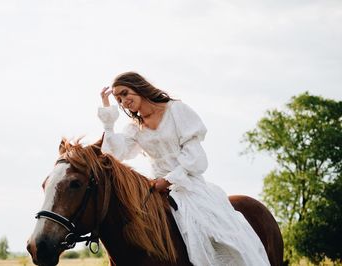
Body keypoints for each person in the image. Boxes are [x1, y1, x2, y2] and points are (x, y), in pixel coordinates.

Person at [98, 72, 270, 266]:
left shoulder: (176, 111)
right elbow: (114, 152)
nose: (123, 101)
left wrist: (170, 179)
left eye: (125, 93)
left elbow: (195, 158)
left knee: (208, 231)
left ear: (138, 87)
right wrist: (108, 118)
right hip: (156, 188)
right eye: (118, 99)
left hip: (187, 184)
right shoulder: (134, 128)